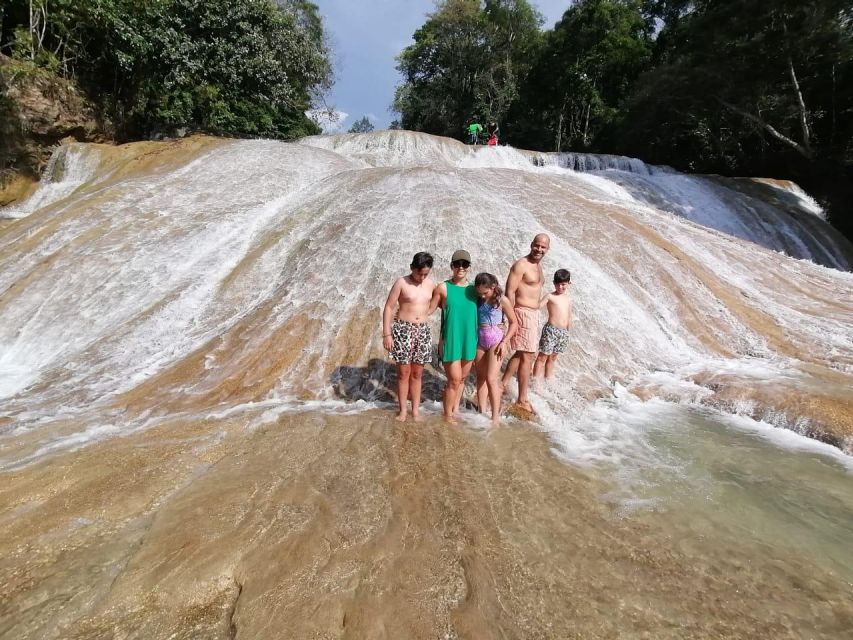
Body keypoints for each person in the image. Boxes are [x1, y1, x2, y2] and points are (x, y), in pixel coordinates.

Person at [382, 252, 436, 421]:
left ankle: (416, 411)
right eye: (419, 273)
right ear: (412, 268)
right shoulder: (401, 283)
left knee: (418, 374)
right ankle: (403, 410)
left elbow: (439, 303)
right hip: (403, 330)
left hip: (423, 331)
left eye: (426, 274)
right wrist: (387, 334)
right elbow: (389, 307)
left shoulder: (431, 285)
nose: (422, 277)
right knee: (403, 373)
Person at [501, 233, 550, 413]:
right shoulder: (521, 265)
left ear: (547, 249)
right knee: (528, 357)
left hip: (533, 314)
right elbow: (510, 291)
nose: (539, 249)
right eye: (537, 245)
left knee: (522, 353)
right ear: (531, 245)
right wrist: (511, 317)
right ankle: (522, 399)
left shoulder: (538, 266)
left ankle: (503, 383)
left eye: (543, 247)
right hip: (522, 313)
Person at [429, 249, 478, 423]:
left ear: (469, 267)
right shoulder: (443, 288)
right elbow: (429, 309)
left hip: (470, 340)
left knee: (462, 379)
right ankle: (447, 416)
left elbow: (492, 306)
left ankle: (455, 410)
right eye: (457, 264)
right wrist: (405, 312)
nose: (461, 267)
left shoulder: (475, 290)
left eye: (464, 264)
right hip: (451, 340)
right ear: (451, 266)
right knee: (454, 380)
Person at [473, 272, 517, 424]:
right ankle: (481, 411)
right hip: (481, 339)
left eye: (485, 293)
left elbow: (514, 322)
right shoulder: (478, 299)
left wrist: (505, 342)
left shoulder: (502, 301)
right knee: (480, 378)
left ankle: (495, 418)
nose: (483, 296)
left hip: (496, 340)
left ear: (493, 287)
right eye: (480, 293)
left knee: (491, 379)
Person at [533, 269, 573, 379]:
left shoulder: (568, 300)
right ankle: (535, 382)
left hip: (563, 333)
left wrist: (568, 333)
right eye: (558, 284)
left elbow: (569, 317)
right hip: (551, 330)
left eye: (563, 284)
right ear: (554, 283)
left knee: (553, 358)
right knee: (542, 357)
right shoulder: (550, 296)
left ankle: (547, 380)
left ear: (569, 283)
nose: (560, 287)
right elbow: (538, 306)